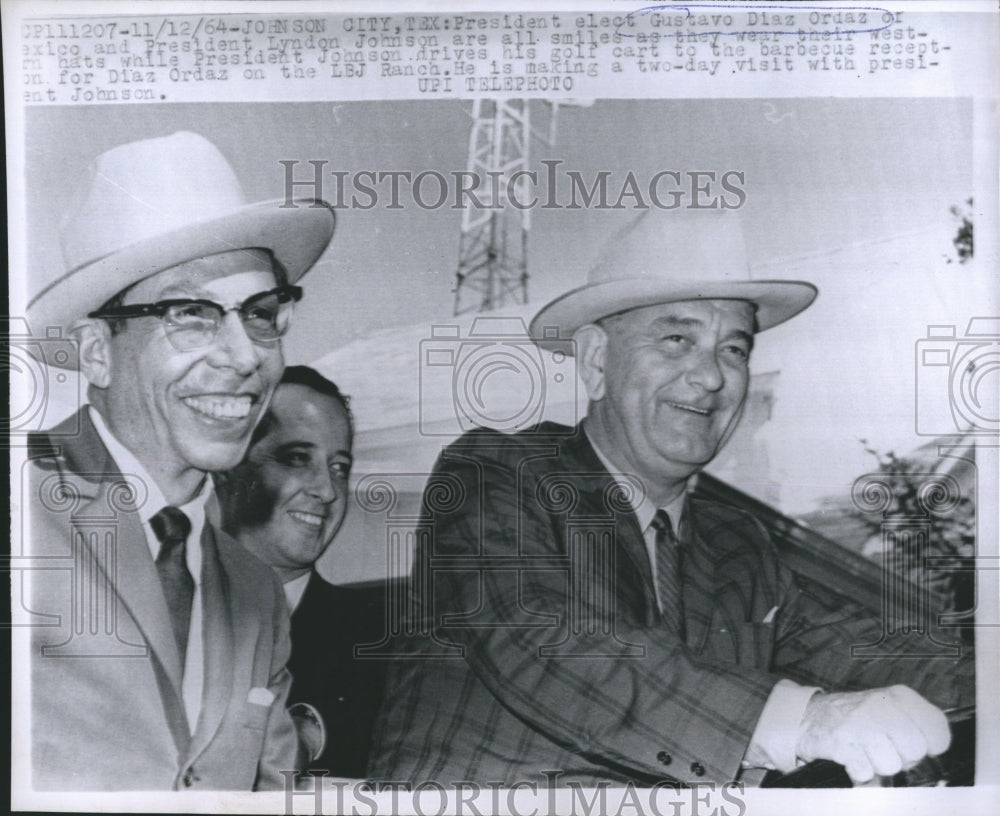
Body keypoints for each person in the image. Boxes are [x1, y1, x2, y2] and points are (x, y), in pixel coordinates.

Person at [367, 209, 973, 788]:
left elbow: (857, 648)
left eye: (733, 349)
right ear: (596, 360)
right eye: (677, 340)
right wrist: (805, 721)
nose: (711, 376)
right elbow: (545, 643)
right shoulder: (497, 473)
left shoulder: (737, 543)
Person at [23, 131, 336, 791]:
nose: (246, 356)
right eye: (191, 314)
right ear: (96, 352)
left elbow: (270, 790)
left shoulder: (258, 593)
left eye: (260, 314)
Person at [219, 365, 389, 777]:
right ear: (228, 466)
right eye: (298, 459)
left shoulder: (385, 640)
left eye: (339, 467)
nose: (328, 490)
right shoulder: (155, 607)